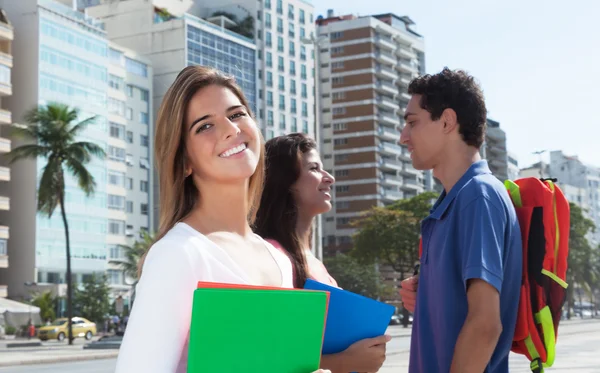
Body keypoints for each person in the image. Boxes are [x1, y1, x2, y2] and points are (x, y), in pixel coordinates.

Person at [114, 66, 330, 373]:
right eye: (204, 126)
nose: (231, 129)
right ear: (184, 160)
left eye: (237, 114)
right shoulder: (178, 253)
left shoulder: (278, 258)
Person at [398, 67, 522, 373]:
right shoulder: (450, 204)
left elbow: (485, 324)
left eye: (412, 123)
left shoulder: (477, 196)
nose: (403, 137)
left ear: (447, 121)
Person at [254, 133, 391, 373]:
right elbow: (268, 359)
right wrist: (349, 361)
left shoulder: (315, 262)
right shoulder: (270, 256)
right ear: (285, 181)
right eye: (315, 168)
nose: (330, 178)